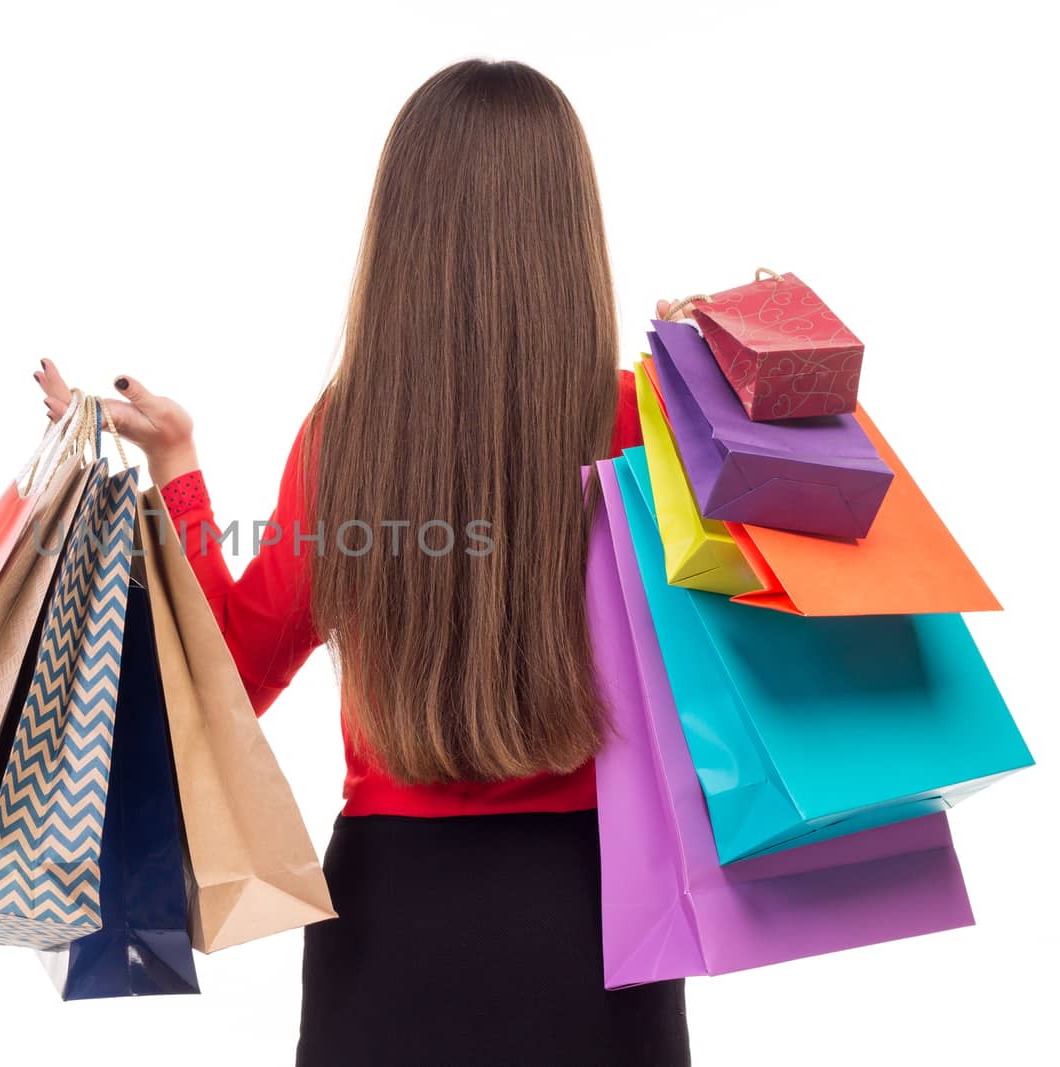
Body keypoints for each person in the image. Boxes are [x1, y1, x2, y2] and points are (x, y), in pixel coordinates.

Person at [36, 58, 689, 1067]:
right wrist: (730, 392)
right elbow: (767, 626)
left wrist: (177, 468)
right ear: (568, 228)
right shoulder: (643, 424)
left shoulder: (351, 434)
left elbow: (232, 678)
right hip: (601, 909)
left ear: (405, 226)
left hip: (392, 915)